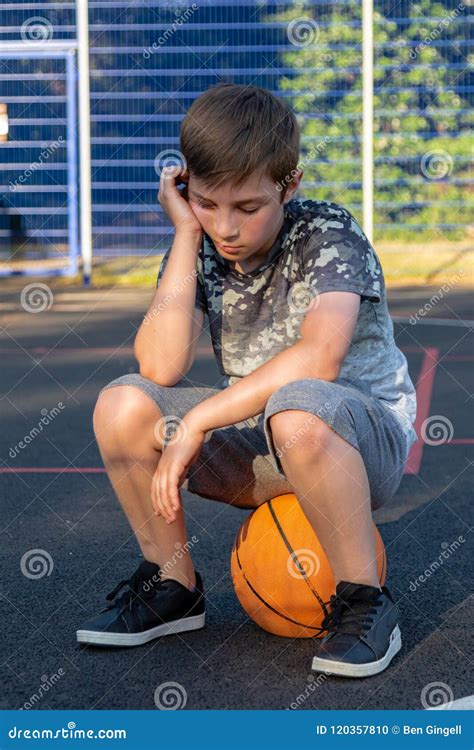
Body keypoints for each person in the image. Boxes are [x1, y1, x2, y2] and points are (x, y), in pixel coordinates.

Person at [77, 82, 417, 678]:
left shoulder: (327, 234)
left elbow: (322, 358)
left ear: (290, 184)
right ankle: (172, 585)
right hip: (265, 438)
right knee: (122, 405)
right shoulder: (201, 244)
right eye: (207, 203)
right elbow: (159, 366)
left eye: (248, 208)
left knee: (298, 406)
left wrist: (200, 421)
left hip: (357, 444)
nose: (226, 227)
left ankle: (366, 602)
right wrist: (184, 235)